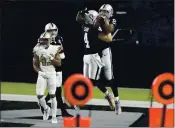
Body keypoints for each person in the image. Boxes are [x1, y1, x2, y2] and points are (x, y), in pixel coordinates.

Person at [76, 9, 115, 110]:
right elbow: (79, 19)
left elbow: (108, 38)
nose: (86, 18)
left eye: (88, 17)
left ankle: (107, 95)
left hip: (94, 57)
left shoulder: (91, 28)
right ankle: (82, 99)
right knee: (86, 80)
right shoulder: (89, 27)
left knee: (93, 81)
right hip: (87, 56)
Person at [34, 23, 73, 117]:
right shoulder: (43, 40)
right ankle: (63, 112)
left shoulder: (59, 38)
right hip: (50, 67)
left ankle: (42, 102)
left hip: (58, 65)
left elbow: (61, 53)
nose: (52, 33)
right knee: (58, 90)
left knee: (56, 90)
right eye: (50, 31)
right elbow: (36, 51)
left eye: (54, 30)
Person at [33, 32, 61, 123]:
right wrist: (40, 72)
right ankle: (46, 108)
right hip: (43, 74)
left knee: (53, 95)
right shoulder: (38, 49)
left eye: (46, 40)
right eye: (42, 40)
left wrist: (51, 58)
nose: (44, 41)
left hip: (51, 74)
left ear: (49, 40)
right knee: (39, 95)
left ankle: (54, 117)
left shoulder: (54, 48)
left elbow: (59, 63)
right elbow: (35, 64)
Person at [98, 4, 122, 114]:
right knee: (95, 80)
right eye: (101, 11)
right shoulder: (96, 19)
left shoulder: (112, 20)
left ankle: (117, 101)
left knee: (109, 78)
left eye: (105, 12)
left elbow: (110, 30)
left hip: (105, 51)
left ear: (110, 13)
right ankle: (108, 95)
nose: (103, 13)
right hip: (94, 51)